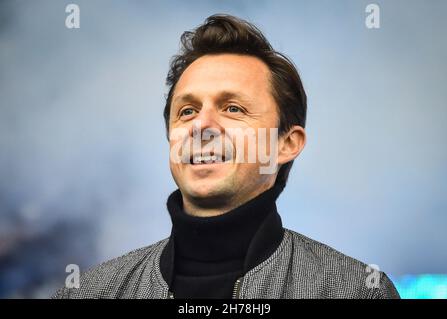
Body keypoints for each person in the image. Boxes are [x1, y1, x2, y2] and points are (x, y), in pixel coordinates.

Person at [53, 14, 400, 299]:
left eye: (233, 108)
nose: (202, 126)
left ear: (286, 144)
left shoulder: (356, 291)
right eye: (187, 111)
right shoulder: (85, 293)